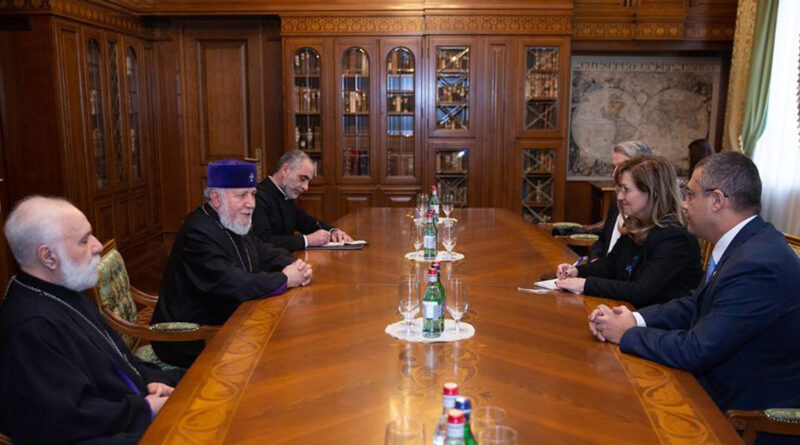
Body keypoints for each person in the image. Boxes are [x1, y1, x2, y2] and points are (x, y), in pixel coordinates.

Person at [588, 152, 800, 443]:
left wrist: (626, 334)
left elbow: (697, 349)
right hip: (716, 388)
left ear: (717, 200)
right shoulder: (746, 244)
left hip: (743, 416)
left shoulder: (758, 263)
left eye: (689, 194)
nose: (684, 203)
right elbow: (693, 304)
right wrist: (634, 319)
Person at [0, 196, 182, 444]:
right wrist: (145, 409)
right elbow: (67, 421)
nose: (97, 246)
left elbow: (116, 362)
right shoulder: (31, 328)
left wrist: (150, 383)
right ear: (48, 257)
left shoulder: (64, 291)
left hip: (125, 410)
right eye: (84, 240)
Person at [151, 160, 312, 367]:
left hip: (228, 320)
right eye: (241, 195)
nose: (251, 203)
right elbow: (234, 283)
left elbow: (261, 249)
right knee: (280, 355)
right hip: (190, 338)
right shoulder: (197, 232)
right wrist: (286, 279)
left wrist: (295, 263)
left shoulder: (230, 219)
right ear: (216, 198)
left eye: (252, 194)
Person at [556, 157, 703, 308]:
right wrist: (577, 271)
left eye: (626, 190)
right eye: (619, 189)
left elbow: (641, 291)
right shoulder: (636, 223)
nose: (619, 197)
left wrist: (586, 284)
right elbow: (611, 265)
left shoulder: (674, 236)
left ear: (653, 192)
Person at [253, 150, 353, 251]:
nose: (306, 187)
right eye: (302, 179)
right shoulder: (259, 197)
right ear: (285, 170)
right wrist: (306, 240)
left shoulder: (286, 193)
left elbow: (307, 222)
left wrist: (332, 231)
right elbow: (263, 241)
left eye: (308, 181)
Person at [589, 140, 653, 262]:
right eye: (613, 167)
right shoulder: (617, 198)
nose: (614, 174)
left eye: (622, 167)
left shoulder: (648, 215)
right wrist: (595, 260)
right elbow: (604, 239)